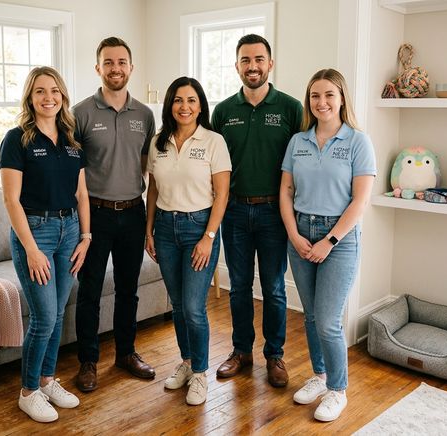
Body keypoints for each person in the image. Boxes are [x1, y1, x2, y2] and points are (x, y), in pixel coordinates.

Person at [279, 68, 376, 422]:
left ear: (341, 99)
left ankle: (338, 389)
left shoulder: (357, 142)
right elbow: (286, 191)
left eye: (329, 95)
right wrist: (293, 233)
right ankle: (319, 376)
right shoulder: (298, 141)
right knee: (312, 315)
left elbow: (360, 202)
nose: (321, 102)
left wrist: (329, 241)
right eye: (315, 96)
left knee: (329, 321)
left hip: (340, 237)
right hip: (301, 232)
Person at [0, 66, 91, 423]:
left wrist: (86, 236)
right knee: (43, 317)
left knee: (58, 312)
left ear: (63, 96)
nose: (48, 97)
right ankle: (28, 391)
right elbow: (11, 201)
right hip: (35, 233)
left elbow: (82, 193)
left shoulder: (71, 140)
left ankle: (49, 381)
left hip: (70, 231)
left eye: (54, 90)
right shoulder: (17, 139)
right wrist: (32, 249)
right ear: (30, 97)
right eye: (40, 91)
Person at [210, 34, 303, 387]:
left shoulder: (291, 108)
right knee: (238, 287)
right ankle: (241, 351)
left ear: (270, 64)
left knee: (275, 288)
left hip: (274, 213)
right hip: (233, 211)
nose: (253, 66)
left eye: (259, 59)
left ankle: (275, 356)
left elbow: (303, 160)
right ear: (237, 66)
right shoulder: (223, 111)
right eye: (246, 60)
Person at [72, 36, 157, 392]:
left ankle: (126, 353)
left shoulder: (145, 114)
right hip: (96, 213)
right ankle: (88, 362)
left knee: (128, 288)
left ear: (131, 67)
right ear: (98, 68)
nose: (115, 68)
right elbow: (73, 169)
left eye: (121, 62)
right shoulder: (80, 113)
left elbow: (146, 165)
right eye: (108, 62)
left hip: (133, 212)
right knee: (90, 290)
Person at [145, 77, 231, 405]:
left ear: (200, 105)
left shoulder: (213, 141)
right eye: (179, 100)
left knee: (195, 308)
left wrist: (209, 237)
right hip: (165, 228)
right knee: (178, 304)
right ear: (170, 105)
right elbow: (152, 189)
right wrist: (149, 230)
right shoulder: (158, 143)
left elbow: (222, 194)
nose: (185, 107)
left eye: (192, 100)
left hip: (199, 227)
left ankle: (200, 374)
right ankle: (186, 361)